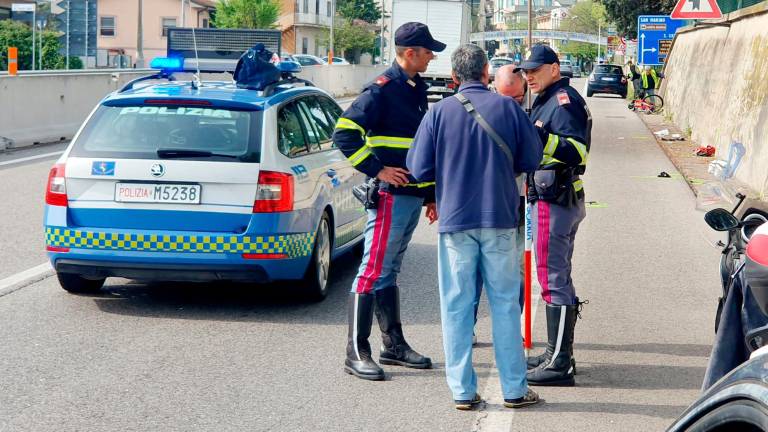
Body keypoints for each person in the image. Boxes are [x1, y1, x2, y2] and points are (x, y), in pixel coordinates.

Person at [407, 43, 543, 410]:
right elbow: (533, 158)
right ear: (486, 74)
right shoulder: (507, 108)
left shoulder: (439, 113)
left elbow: (418, 168)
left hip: (454, 221)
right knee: (503, 305)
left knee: (456, 307)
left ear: (453, 78)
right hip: (499, 219)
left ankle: (462, 392)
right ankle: (514, 389)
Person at [333, 22, 445, 381]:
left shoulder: (414, 88)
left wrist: (429, 194)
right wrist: (378, 170)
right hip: (391, 197)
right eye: (428, 51)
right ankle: (356, 351)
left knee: (390, 269)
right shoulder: (382, 89)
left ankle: (392, 345)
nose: (431, 56)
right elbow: (345, 132)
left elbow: (420, 148)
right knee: (372, 270)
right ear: (409, 52)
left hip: (412, 196)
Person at [517, 44, 592, 387]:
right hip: (553, 197)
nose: (529, 76)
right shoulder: (549, 97)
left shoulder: (563, 101)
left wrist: (537, 138)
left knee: (552, 280)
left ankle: (559, 362)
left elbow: (577, 149)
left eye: (535, 69)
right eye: (526, 71)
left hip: (555, 198)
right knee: (555, 277)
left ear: (554, 67)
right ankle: (556, 353)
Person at [472, 64, 528, 343]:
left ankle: (512, 327)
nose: (511, 105)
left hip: (516, 204)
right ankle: (467, 327)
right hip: (482, 203)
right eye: (505, 97)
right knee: (476, 271)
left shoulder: (532, 113)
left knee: (516, 269)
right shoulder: (480, 112)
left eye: (517, 99)